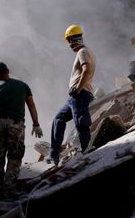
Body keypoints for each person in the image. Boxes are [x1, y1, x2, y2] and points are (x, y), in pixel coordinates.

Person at [0, 62, 43, 199]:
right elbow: (31, 105)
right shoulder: (23, 86)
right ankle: (9, 190)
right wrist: (36, 124)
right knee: (14, 158)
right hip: (16, 125)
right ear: (8, 71)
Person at [47, 24, 96, 165]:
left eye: (70, 40)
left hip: (80, 93)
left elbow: (86, 70)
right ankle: (53, 154)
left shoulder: (83, 52)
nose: (69, 45)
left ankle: (86, 149)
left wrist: (78, 88)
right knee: (59, 119)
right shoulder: (85, 51)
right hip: (75, 96)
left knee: (81, 121)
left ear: (75, 39)